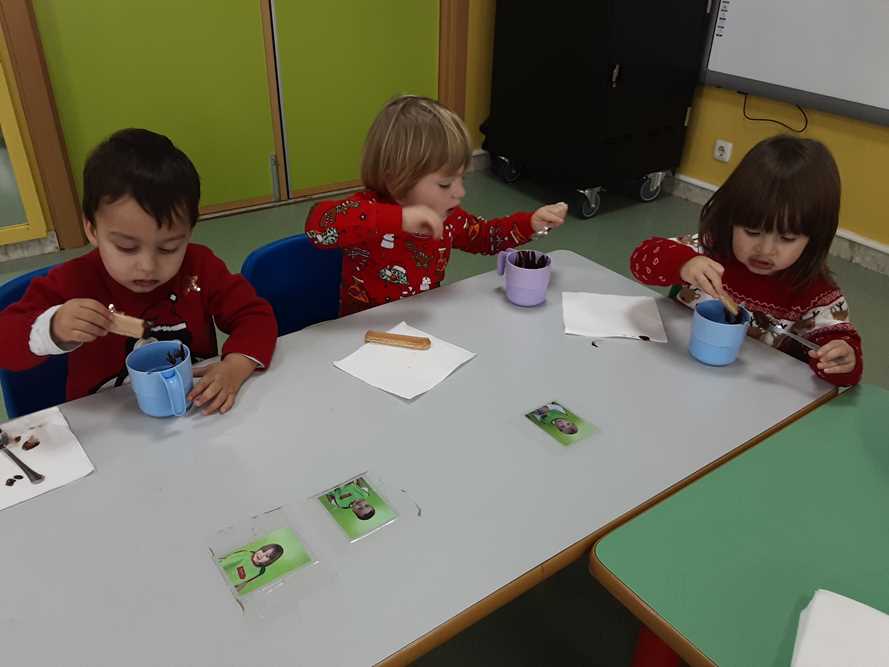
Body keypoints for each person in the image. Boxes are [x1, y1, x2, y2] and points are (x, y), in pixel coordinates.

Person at [0, 129, 278, 413]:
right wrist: (54, 327)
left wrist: (235, 366)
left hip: (192, 411)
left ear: (188, 233)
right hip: (106, 422)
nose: (148, 266)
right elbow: (5, 340)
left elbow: (254, 315)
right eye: (126, 247)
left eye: (169, 248)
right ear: (92, 229)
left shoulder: (199, 269)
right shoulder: (73, 281)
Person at [630, 135, 862, 386]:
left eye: (787, 238)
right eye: (752, 232)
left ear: (814, 239)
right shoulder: (711, 250)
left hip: (752, 390)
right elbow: (641, 261)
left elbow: (840, 360)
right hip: (675, 368)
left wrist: (840, 359)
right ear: (730, 220)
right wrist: (683, 264)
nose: (766, 250)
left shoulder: (814, 291)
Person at [305, 95, 568, 315]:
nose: (460, 192)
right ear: (396, 179)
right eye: (445, 184)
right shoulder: (367, 210)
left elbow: (486, 236)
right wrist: (399, 219)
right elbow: (319, 227)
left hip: (424, 325)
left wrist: (529, 223)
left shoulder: (447, 216)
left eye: (462, 179)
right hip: (364, 334)